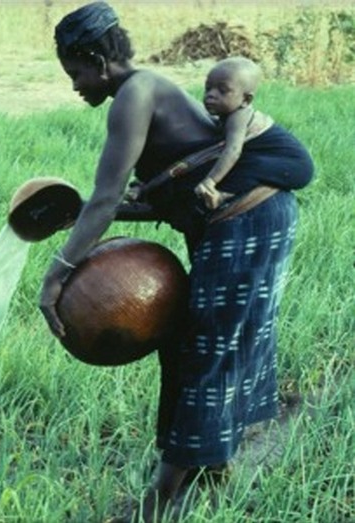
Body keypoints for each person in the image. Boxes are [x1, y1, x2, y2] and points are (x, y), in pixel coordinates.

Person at [38, 2, 314, 521]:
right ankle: (211, 464)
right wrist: (74, 217)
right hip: (238, 221)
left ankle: (163, 495)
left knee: (205, 350)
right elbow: (161, 200)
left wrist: (56, 276)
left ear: (98, 61)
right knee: (194, 344)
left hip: (249, 219)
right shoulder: (142, 92)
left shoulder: (135, 95)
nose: (74, 86)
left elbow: (107, 199)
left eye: (75, 72)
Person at [195, 56, 314, 209]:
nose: (211, 94)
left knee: (246, 165)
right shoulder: (228, 114)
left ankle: (224, 197)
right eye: (208, 88)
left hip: (296, 167)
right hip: (283, 162)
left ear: (246, 100)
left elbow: (233, 151)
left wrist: (211, 180)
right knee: (244, 163)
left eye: (222, 91)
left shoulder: (238, 117)